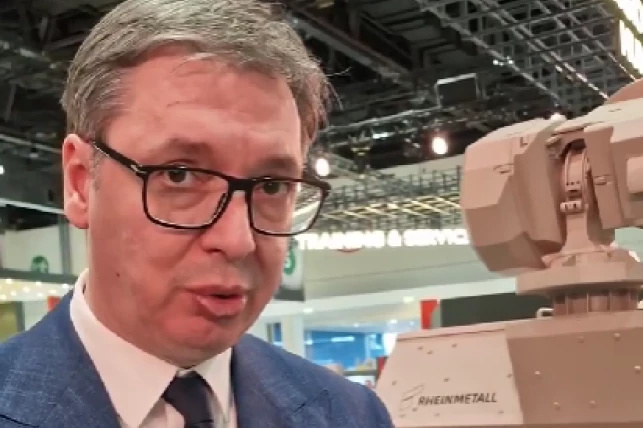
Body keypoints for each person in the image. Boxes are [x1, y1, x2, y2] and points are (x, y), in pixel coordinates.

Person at [0, 1, 394, 427]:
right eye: (179, 175)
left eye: (272, 186)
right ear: (80, 182)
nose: (237, 239)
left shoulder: (351, 413)